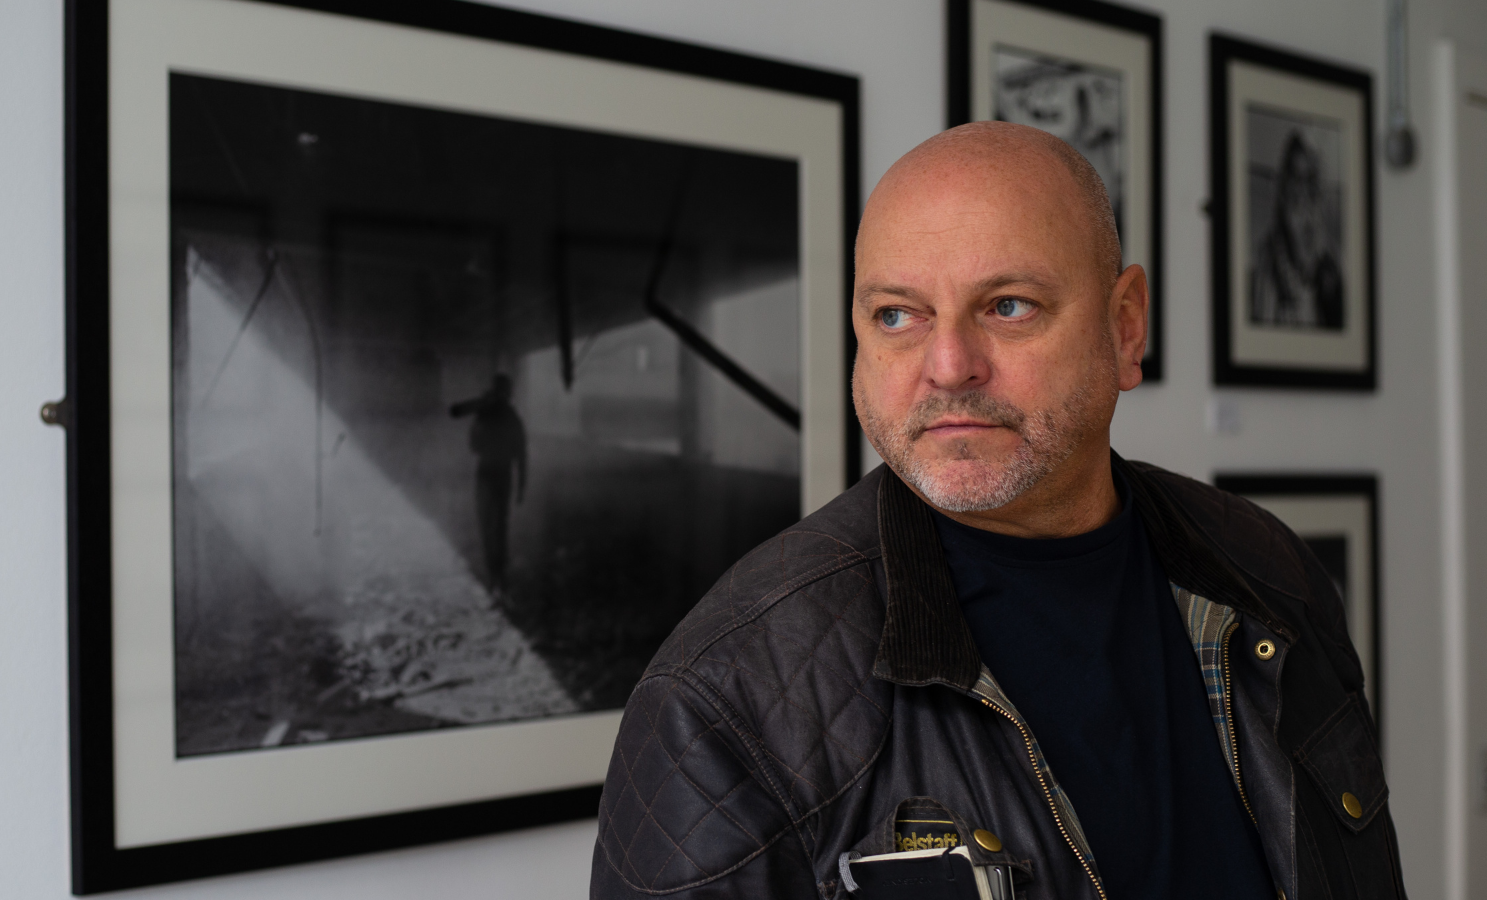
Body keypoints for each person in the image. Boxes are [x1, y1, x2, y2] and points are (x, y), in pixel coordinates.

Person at [591, 123, 1403, 900]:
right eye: (897, 316)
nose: (947, 367)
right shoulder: (723, 699)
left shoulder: (1267, 570)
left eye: (1008, 306)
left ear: (1125, 328)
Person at [1251, 131, 1345, 330]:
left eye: (1312, 194)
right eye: (1295, 199)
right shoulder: (1266, 266)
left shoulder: (1332, 272)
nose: (1307, 216)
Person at [449, 373, 526, 591]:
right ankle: (498, 575)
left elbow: (472, 442)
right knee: (498, 525)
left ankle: (495, 573)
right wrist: (521, 485)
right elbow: (521, 454)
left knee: (487, 524)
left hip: (487, 472)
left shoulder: (486, 413)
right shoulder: (511, 416)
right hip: (501, 474)